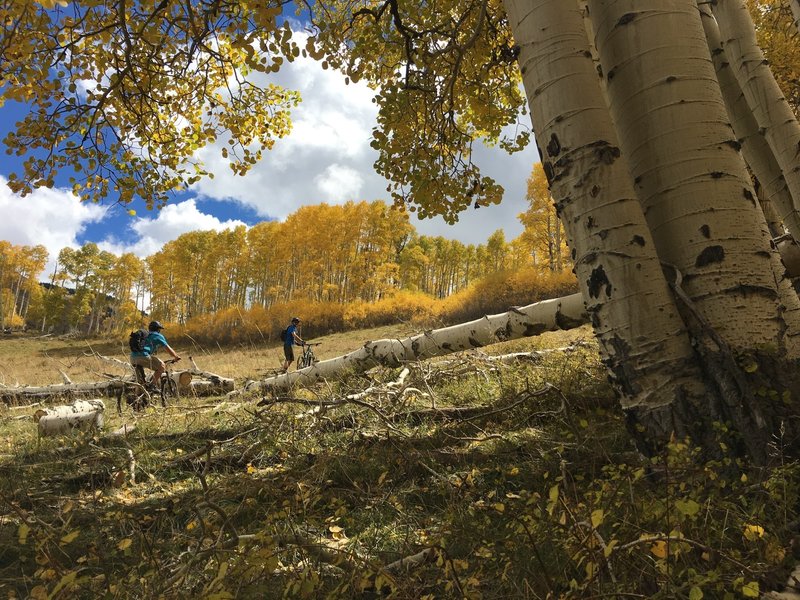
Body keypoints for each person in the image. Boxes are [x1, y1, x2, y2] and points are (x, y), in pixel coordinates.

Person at [130, 320, 181, 389]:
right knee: (161, 365)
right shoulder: (157, 335)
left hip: (132, 357)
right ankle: (152, 385)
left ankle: (138, 397)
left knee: (141, 384)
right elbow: (168, 348)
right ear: (158, 329)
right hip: (143, 356)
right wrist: (176, 356)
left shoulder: (145, 335)